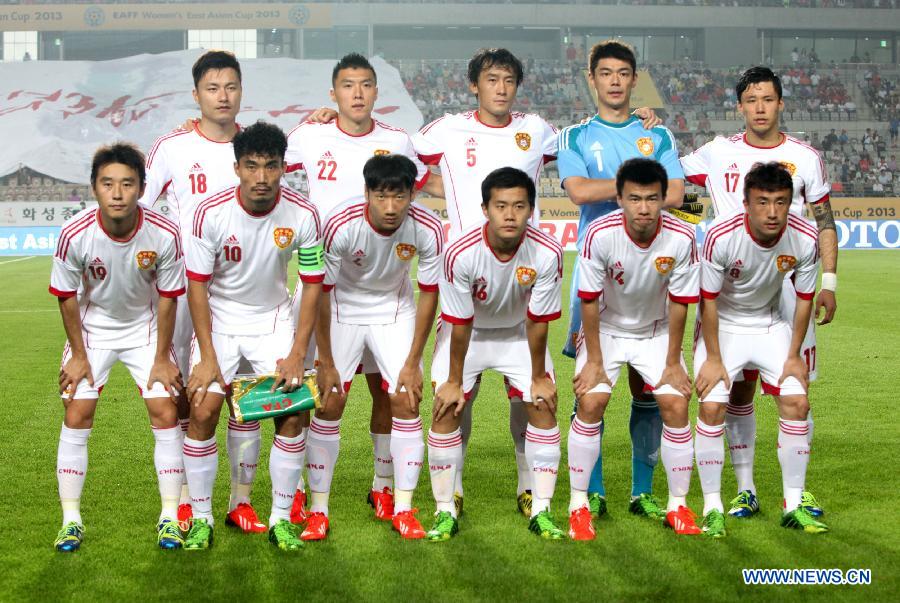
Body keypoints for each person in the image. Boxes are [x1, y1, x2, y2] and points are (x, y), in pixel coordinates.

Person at [284, 54, 443, 522]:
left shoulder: (396, 141)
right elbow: (261, 160)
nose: (357, 93)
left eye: (366, 85)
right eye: (347, 86)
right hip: (328, 288)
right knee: (320, 397)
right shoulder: (312, 134)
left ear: (377, 92)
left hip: (390, 294)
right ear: (332, 94)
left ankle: (384, 489)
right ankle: (302, 496)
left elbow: (428, 180)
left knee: (390, 395)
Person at [680, 66, 837, 518]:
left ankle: (796, 493)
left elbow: (824, 221)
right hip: (729, 286)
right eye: (752, 100)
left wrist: (828, 280)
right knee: (737, 392)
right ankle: (744, 488)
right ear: (741, 107)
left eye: (768, 99)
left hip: (789, 285)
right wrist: (697, 220)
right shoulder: (718, 152)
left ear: (781, 103)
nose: (760, 108)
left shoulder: (804, 156)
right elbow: (672, 182)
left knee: (796, 387)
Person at [556, 39, 685, 520]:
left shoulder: (659, 134)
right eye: (604, 73)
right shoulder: (571, 137)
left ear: (634, 79)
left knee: (647, 388)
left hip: (652, 273)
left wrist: (618, 187)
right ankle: (592, 491)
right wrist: (638, 189)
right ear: (591, 79)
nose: (614, 81)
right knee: (591, 387)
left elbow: (676, 193)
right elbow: (577, 191)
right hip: (596, 273)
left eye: (623, 73)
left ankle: (642, 490)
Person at [181, 122, 323, 551]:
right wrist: (207, 356)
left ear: (284, 168)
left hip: (273, 320)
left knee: (293, 413)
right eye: (252, 166)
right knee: (203, 411)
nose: (261, 178)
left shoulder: (303, 214)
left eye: (271, 166)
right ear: (237, 167)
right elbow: (197, 287)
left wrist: (298, 353)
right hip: (221, 321)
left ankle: (281, 518)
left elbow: (312, 283)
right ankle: (203, 517)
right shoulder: (211, 212)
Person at [139, 50, 264, 532]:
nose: (223, 96)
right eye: (213, 88)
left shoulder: (256, 147)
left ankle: (241, 499)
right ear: (196, 95)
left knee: (246, 398)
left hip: (244, 292)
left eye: (231, 87)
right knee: (192, 395)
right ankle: (188, 497)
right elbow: (144, 208)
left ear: (241, 91)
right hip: (188, 287)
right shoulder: (171, 147)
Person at [51, 143, 186, 551]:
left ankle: (168, 516)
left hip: (145, 331)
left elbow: (168, 297)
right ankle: (71, 520)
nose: (117, 192)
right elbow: (66, 295)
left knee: (165, 410)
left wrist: (163, 358)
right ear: (94, 188)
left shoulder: (164, 233)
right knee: (78, 409)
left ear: (142, 188)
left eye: (127, 184)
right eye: (107, 183)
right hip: (94, 331)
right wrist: (77, 355)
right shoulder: (74, 233)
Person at [305, 154, 442, 541]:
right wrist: (325, 360)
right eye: (381, 196)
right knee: (329, 402)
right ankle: (318, 509)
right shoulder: (340, 224)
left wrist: (415, 361)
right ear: (366, 193)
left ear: (412, 195)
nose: (390, 207)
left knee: (405, 399)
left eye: (399, 197)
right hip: (342, 309)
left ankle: (397, 502)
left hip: (394, 310)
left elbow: (429, 295)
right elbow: (321, 294)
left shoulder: (427, 227)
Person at [430, 167, 564, 541]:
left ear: (531, 210)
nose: (510, 215)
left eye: (519, 206)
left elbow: (538, 321)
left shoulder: (547, 251)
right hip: (466, 337)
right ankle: (447, 505)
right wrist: (455, 381)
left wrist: (538, 376)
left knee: (542, 403)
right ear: (485, 208)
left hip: (519, 334)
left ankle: (538, 504)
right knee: (447, 406)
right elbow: (459, 321)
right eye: (501, 205)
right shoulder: (460, 252)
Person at [694, 162, 828, 535]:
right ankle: (713, 506)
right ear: (746, 202)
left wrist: (793, 356)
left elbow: (803, 299)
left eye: (781, 202)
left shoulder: (803, 236)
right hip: (723, 325)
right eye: (763, 202)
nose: (772, 212)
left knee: (797, 401)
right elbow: (707, 301)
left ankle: (793, 501)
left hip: (770, 324)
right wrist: (715, 359)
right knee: (712, 404)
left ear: (791, 203)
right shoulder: (721, 235)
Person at [570, 158, 699, 539]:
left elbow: (680, 302)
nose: (643, 208)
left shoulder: (682, 236)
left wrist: (674, 363)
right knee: (591, 401)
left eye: (652, 199)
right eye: (634, 199)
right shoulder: (599, 233)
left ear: (663, 199)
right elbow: (589, 301)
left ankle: (678, 505)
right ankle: (579, 504)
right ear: (620, 198)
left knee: (675, 402)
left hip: (655, 332)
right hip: (606, 329)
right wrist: (594, 361)